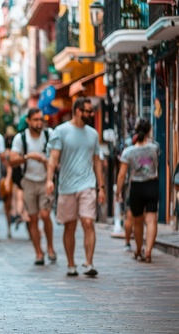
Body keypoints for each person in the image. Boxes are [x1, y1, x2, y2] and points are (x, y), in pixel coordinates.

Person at [46, 97, 106, 277]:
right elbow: (53, 158)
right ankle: (71, 264)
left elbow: (97, 161)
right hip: (66, 186)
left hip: (87, 184)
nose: (91, 114)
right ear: (78, 111)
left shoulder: (93, 134)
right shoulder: (61, 131)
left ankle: (89, 263)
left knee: (88, 222)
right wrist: (49, 179)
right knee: (69, 226)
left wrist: (100, 186)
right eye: (88, 111)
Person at [10, 108, 56, 265]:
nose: (39, 123)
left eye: (41, 120)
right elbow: (12, 159)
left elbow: (57, 158)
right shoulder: (21, 138)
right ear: (28, 121)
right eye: (35, 120)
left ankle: (50, 247)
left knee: (45, 215)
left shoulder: (50, 135)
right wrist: (29, 156)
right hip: (28, 182)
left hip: (45, 180)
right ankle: (38, 252)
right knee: (33, 218)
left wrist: (45, 161)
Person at [116, 118, 159, 263]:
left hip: (136, 187)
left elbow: (122, 175)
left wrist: (118, 192)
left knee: (138, 221)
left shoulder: (128, 152)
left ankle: (139, 249)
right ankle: (148, 251)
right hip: (152, 185)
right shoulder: (155, 147)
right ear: (149, 131)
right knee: (152, 219)